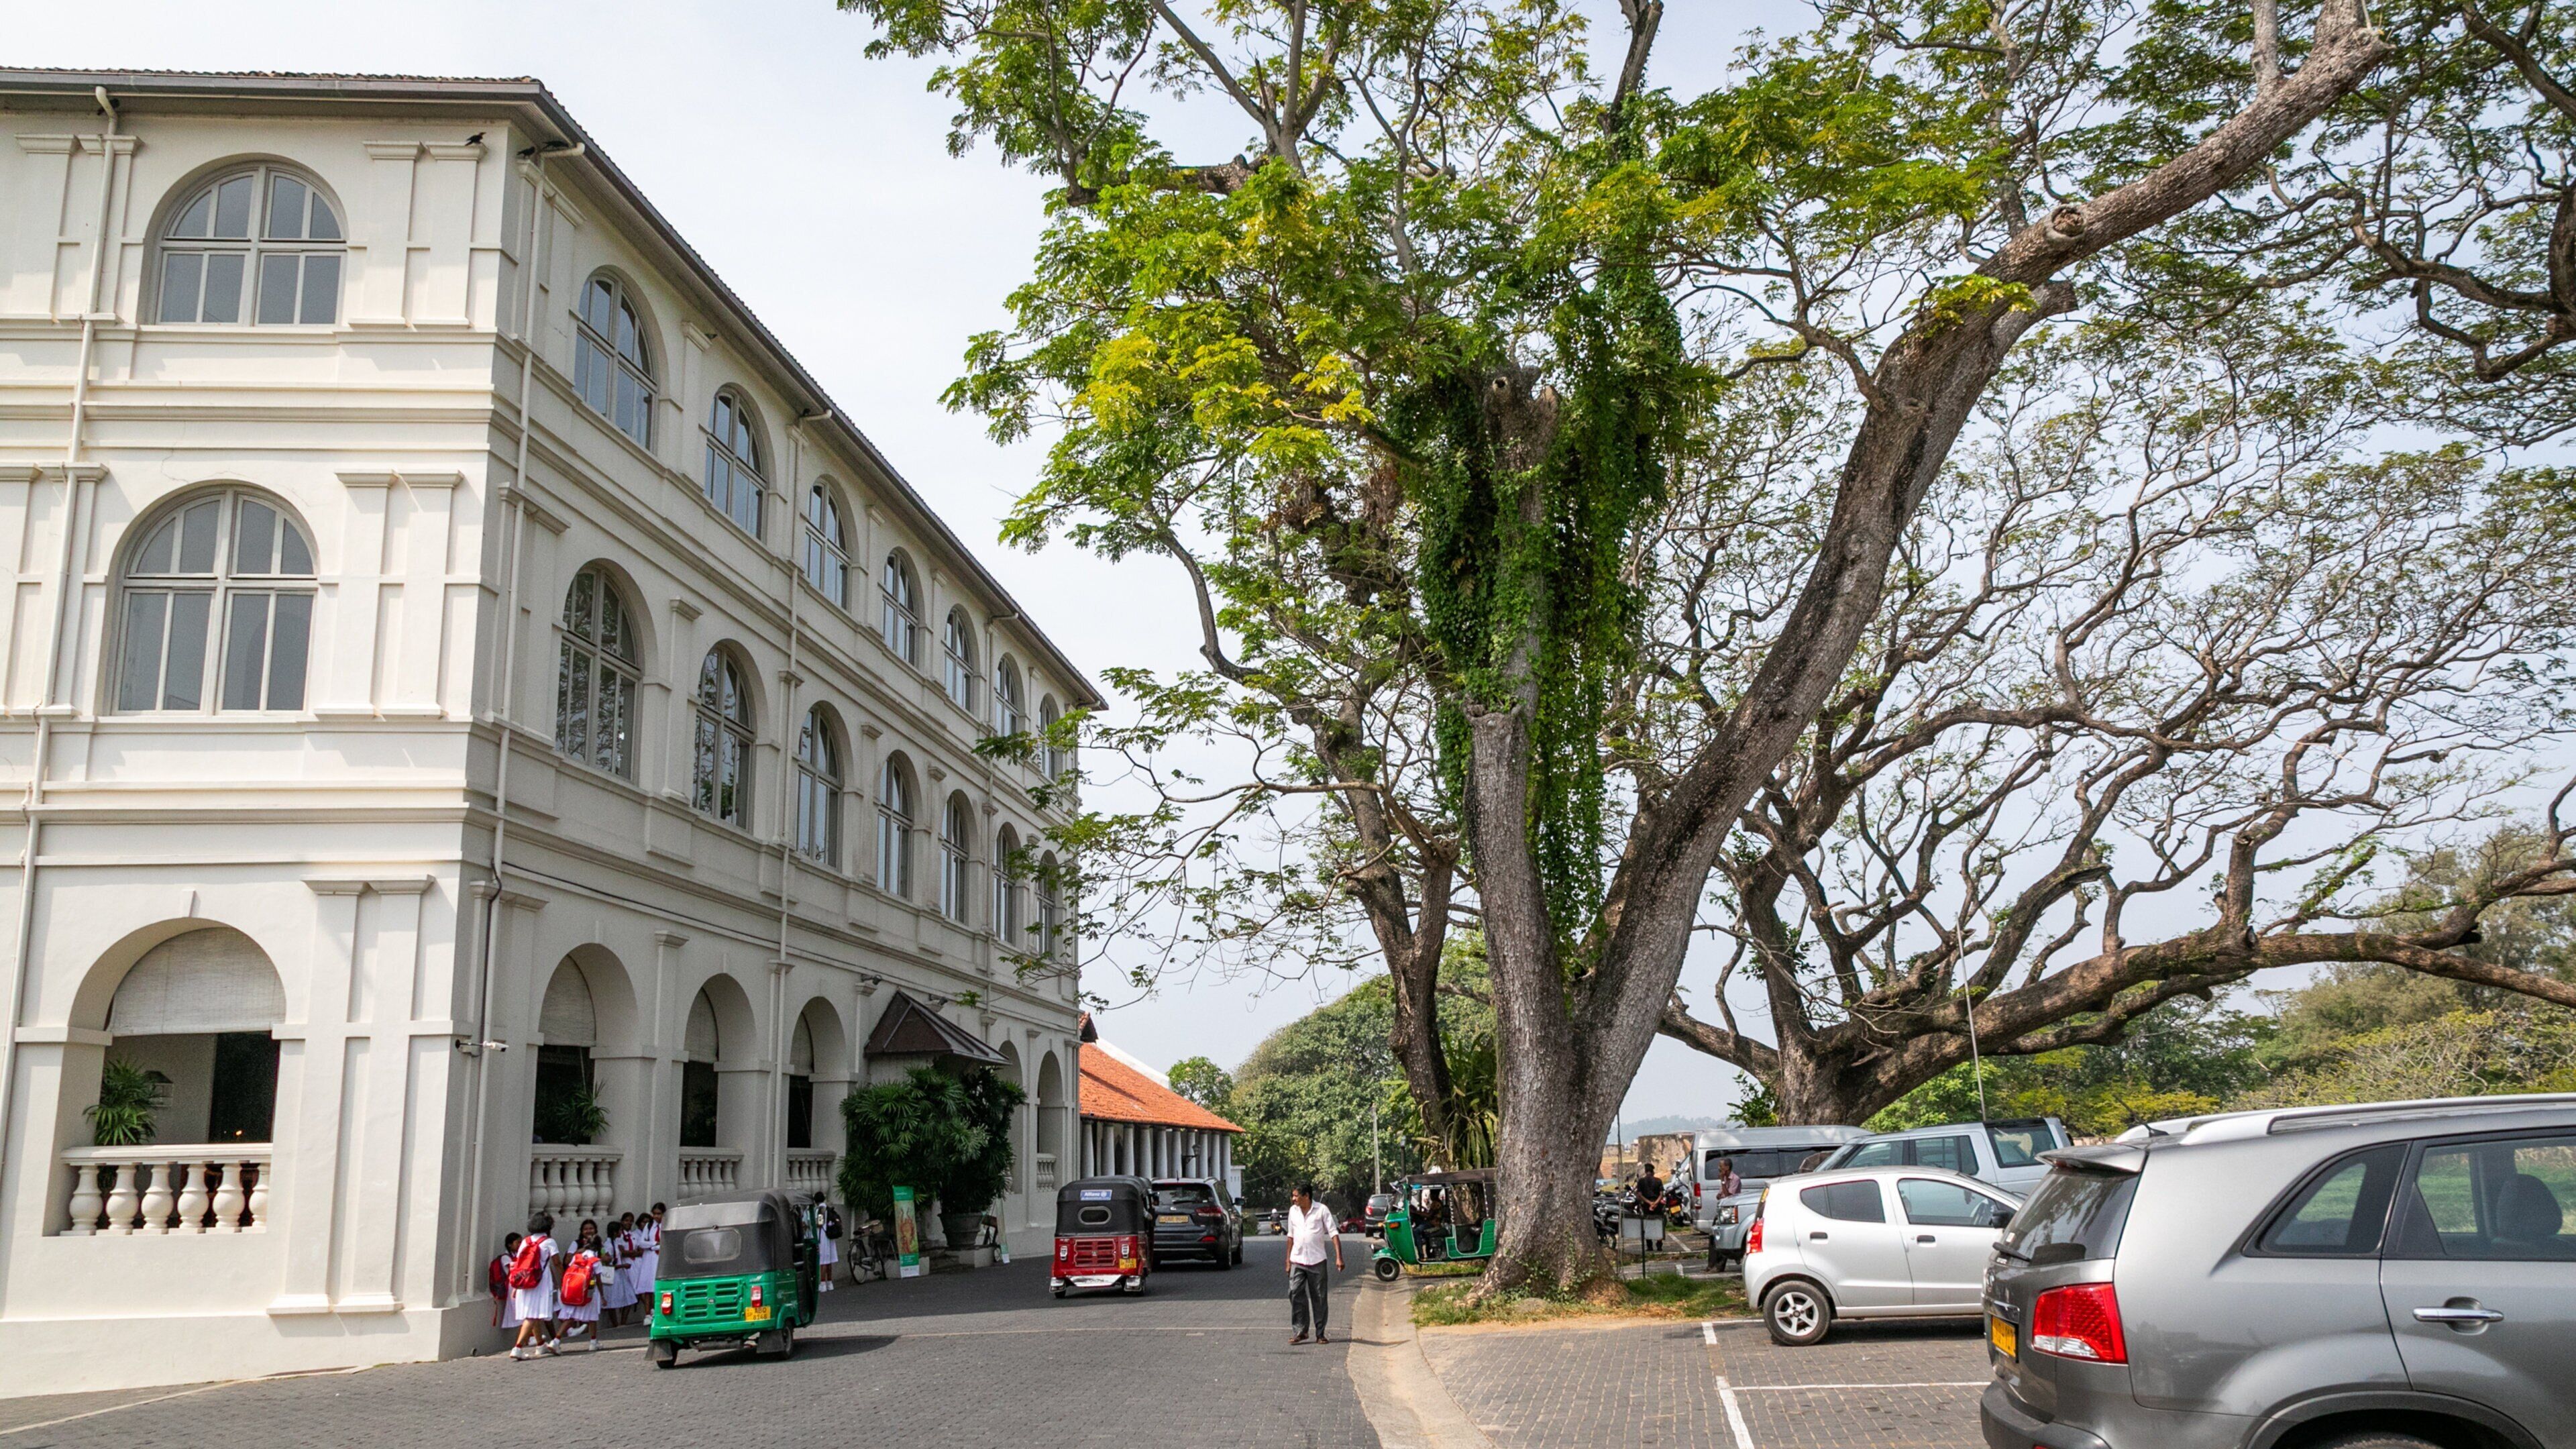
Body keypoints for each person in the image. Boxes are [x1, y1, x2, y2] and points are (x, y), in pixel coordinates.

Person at [1284, 1183, 1344, 1346]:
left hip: (1317, 1261)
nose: (1293, 1199)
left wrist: (1339, 1257)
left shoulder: (1322, 1210)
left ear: (1307, 1196)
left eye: (1297, 1196)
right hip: (1298, 1260)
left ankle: (1320, 1333)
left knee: (1319, 1297)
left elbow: (1333, 1233)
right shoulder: (1293, 1211)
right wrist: (1288, 1260)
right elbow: (1290, 1236)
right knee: (1295, 1292)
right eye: (1293, 1195)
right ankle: (1300, 1331)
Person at [506, 1212, 560, 1359]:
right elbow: (557, 1263)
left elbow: (520, 1264)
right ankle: (518, 1348)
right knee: (532, 1315)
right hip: (541, 1282)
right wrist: (563, 1279)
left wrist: (517, 1287)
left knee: (533, 1313)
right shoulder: (549, 1242)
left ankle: (540, 1344)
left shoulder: (525, 1241)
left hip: (525, 1280)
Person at [556, 1219, 605, 1350]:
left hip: (575, 1289)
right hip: (590, 1290)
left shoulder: (577, 1257)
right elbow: (599, 1280)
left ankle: (556, 1341)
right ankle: (593, 1343)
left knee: (571, 1317)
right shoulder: (595, 1260)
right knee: (593, 1317)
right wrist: (603, 1295)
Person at [488, 1231, 523, 1330]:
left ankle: (528, 1338)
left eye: (521, 1242)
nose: (520, 1245)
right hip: (513, 1288)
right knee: (520, 1313)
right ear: (510, 1245)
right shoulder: (506, 1258)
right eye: (518, 1243)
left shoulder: (517, 1256)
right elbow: (515, 1271)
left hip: (519, 1287)